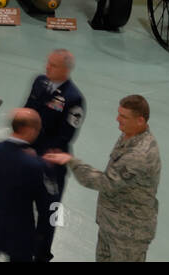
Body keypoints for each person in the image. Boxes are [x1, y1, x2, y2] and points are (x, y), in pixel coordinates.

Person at [44, 94, 161, 262]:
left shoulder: (139, 154)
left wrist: (72, 162)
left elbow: (105, 183)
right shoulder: (129, 135)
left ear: (140, 120)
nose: (117, 119)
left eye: (123, 116)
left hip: (129, 234)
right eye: (119, 113)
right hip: (112, 223)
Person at [0, 108, 51, 262]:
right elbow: (47, 208)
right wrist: (42, 242)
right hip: (20, 234)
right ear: (29, 130)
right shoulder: (37, 165)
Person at [24, 49, 84, 262]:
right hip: (29, 157)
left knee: (49, 213)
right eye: (48, 63)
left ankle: (42, 255)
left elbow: (65, 136)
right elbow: (27, 113)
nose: (47, 67)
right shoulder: (40, 82)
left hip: (52, 165)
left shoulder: (73, 98)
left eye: (54, 65)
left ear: (66, 71)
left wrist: (38, 152)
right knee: (23, 206)